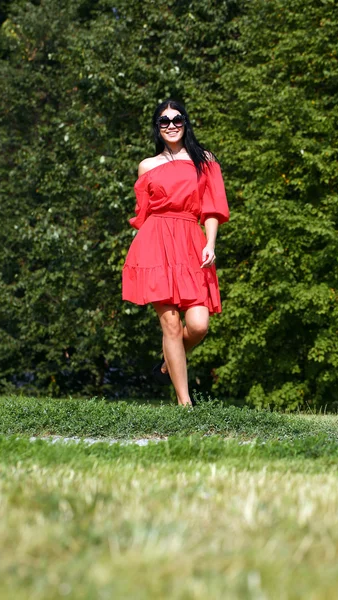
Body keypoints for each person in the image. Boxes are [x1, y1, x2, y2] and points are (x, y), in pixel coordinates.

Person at [122, 99, 229, 407]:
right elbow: (142, 214)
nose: (171, 125)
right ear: (158, 127)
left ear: (186, 122)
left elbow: (213, 207)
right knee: (170, 323)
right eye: (164, 121)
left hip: (191, 242)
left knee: (198, 324)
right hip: (155, 242)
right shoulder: (147, 165)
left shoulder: (204, 160)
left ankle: (171, 358)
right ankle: (185, 404)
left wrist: (210, 243)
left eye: (177, 119)